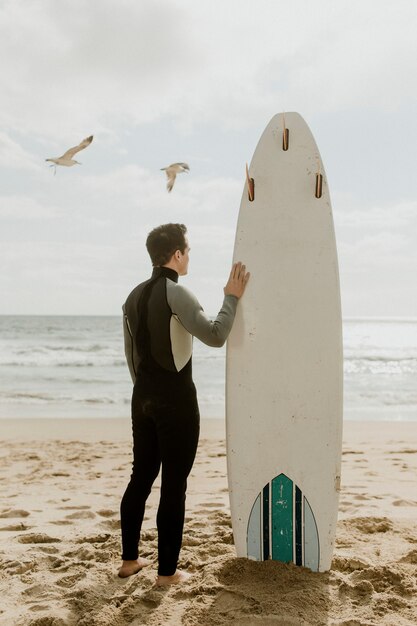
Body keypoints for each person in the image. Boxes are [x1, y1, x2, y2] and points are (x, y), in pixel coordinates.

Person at [118, 223, 249, 585]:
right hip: (175, 401)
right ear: (176, 254)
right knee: (174, 485)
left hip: (140, 398)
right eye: (187, 251)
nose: (189, 256)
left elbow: (132, 357)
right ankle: (167, 574)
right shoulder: (177, 293)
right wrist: (231, 297)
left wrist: (146, 394)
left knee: (141, 477)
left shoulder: (131, 297)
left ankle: (129, 561)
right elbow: (215, 335)